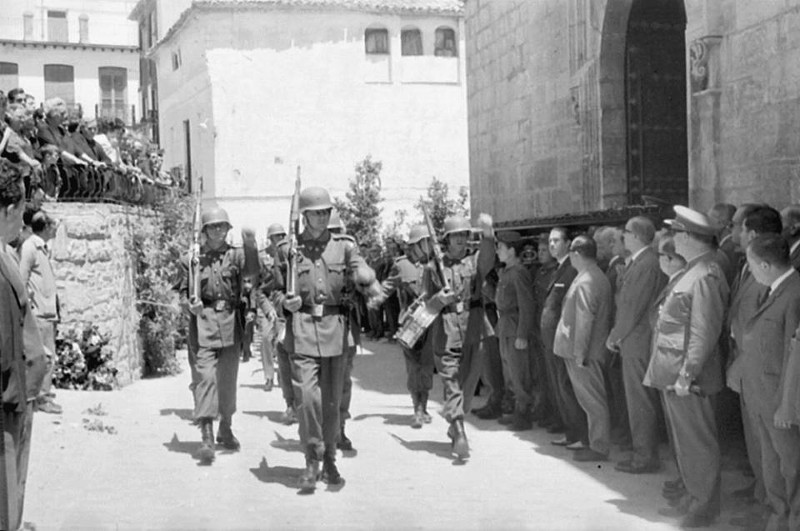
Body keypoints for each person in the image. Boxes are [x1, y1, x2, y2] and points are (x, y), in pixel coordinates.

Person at [275, 186, 381, 492]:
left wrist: (367, 277)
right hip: (303, 329)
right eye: (316, 213)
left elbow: (358, 267)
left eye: (325, 212)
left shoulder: (344, 246)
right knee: (307, 398)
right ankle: (312, 458)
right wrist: (286, 301)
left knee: (332, 401)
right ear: (304, 216)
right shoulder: (288, 251)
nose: (322, 217)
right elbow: (275, 288)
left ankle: (330, 458)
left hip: (336, 328)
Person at [644, 205, 729, 528]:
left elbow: (703, 332)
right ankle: (694, 496)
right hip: (675, 372)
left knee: (697, 443)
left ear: (692, 238)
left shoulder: (705, 274)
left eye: (676, 233)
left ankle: (704, 505)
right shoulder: (693, 271)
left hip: (689, 377)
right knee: (685, 442)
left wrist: (687, 373)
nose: (671, 239)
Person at [177, 206, 259, 464]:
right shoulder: (191, 259)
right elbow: (181, 292)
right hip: (203, 324)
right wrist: (190, 303)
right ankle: (207, 434)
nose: (218, 231)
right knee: (205, 378)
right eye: (213, 227)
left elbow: (254, 272)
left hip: (230, 324)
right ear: (204, 231)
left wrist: (250, 244)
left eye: (222, 226)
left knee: (227, 380)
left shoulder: (235, 257)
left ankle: (226, 427)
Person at [739, 233, 800, 531]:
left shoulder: (794, 294)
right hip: (763, 397)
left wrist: (786, 406)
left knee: (791, 469)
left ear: (764, 265)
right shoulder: (776, 290)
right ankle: (778, 519)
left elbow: (795, 357)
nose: (749, 270)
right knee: (773, 468)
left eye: (750, 264)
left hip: (780, 403)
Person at [422, 214, 495, 460]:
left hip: (474, 326)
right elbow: (426, 305)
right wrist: (438, 300)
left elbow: (488, 258)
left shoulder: (474, 262)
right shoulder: (433, 268)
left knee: (469, 381)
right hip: (447, 329)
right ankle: (459, 426)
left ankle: (456, 420)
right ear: (447, 239)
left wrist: (488, 234)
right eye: (456, 236)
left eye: (465, 235)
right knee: (451, 381)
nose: (461, 241)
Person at [0, 160, 46, 531]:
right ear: (9, 208)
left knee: (13, 490)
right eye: (21, 208)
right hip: (7, 398)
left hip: (19, 394)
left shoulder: (5, 251)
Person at [606, 216, 666, 473]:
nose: (623, 236)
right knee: (636, 399)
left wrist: (615, 335)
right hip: (634, 338)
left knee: (640, 400)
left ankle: (644, 456)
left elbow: (632, 306)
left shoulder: (646, 264)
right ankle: (641, 450)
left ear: (639, 236)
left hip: (637, 339)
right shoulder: (640, 262)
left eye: (627, 232)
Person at [553, 235, 613, 461]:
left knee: (593, 401)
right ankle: (595, 442)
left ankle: (599, 446)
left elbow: (585, 319)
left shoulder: (587, 280)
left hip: (585, 352)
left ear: (577, 254)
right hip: (586, 350)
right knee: (591, 399)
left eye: (570, 253)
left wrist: (580, 353)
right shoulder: (592, 276)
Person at [381, 224, 435, 427]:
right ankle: (417, 409)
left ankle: (425, 405)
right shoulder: (401, 265)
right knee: (414, 367)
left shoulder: (435, 264)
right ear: (416, 245)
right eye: (425, 242)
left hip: (430, 321)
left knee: (427, 366)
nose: (428, 245)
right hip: (409, 322)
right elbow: (386, 288)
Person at [541, 227, 586, 448]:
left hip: (563, 340)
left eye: (556, 241)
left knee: (567, 386)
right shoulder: (559, 268)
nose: (551, 245)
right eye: (550, 241)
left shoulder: (571, 269)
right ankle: (570, 432)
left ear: (568, 243)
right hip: (553, 340)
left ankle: (577, 434)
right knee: (559, 386)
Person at [18, 210, 63, 415]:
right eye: (52, 225)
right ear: (44, 227)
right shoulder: (31, 248)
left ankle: (42, 393)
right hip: (40, 313)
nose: (55, 228)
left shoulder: (42, 248)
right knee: (44, 357)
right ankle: (41, 397)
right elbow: (22, 278)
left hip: (47, 311)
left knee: (49, 355)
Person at [494, 231, 537, 431]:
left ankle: (523, 413)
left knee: (519, 372)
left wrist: (522, 334)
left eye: (501, 248)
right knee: (509, 371)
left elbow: (526, 305)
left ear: (512, 251)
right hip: (504, 325)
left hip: (514, 325)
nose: (498, 251)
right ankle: (515, 409)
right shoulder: (506, 271)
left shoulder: (519, 272)